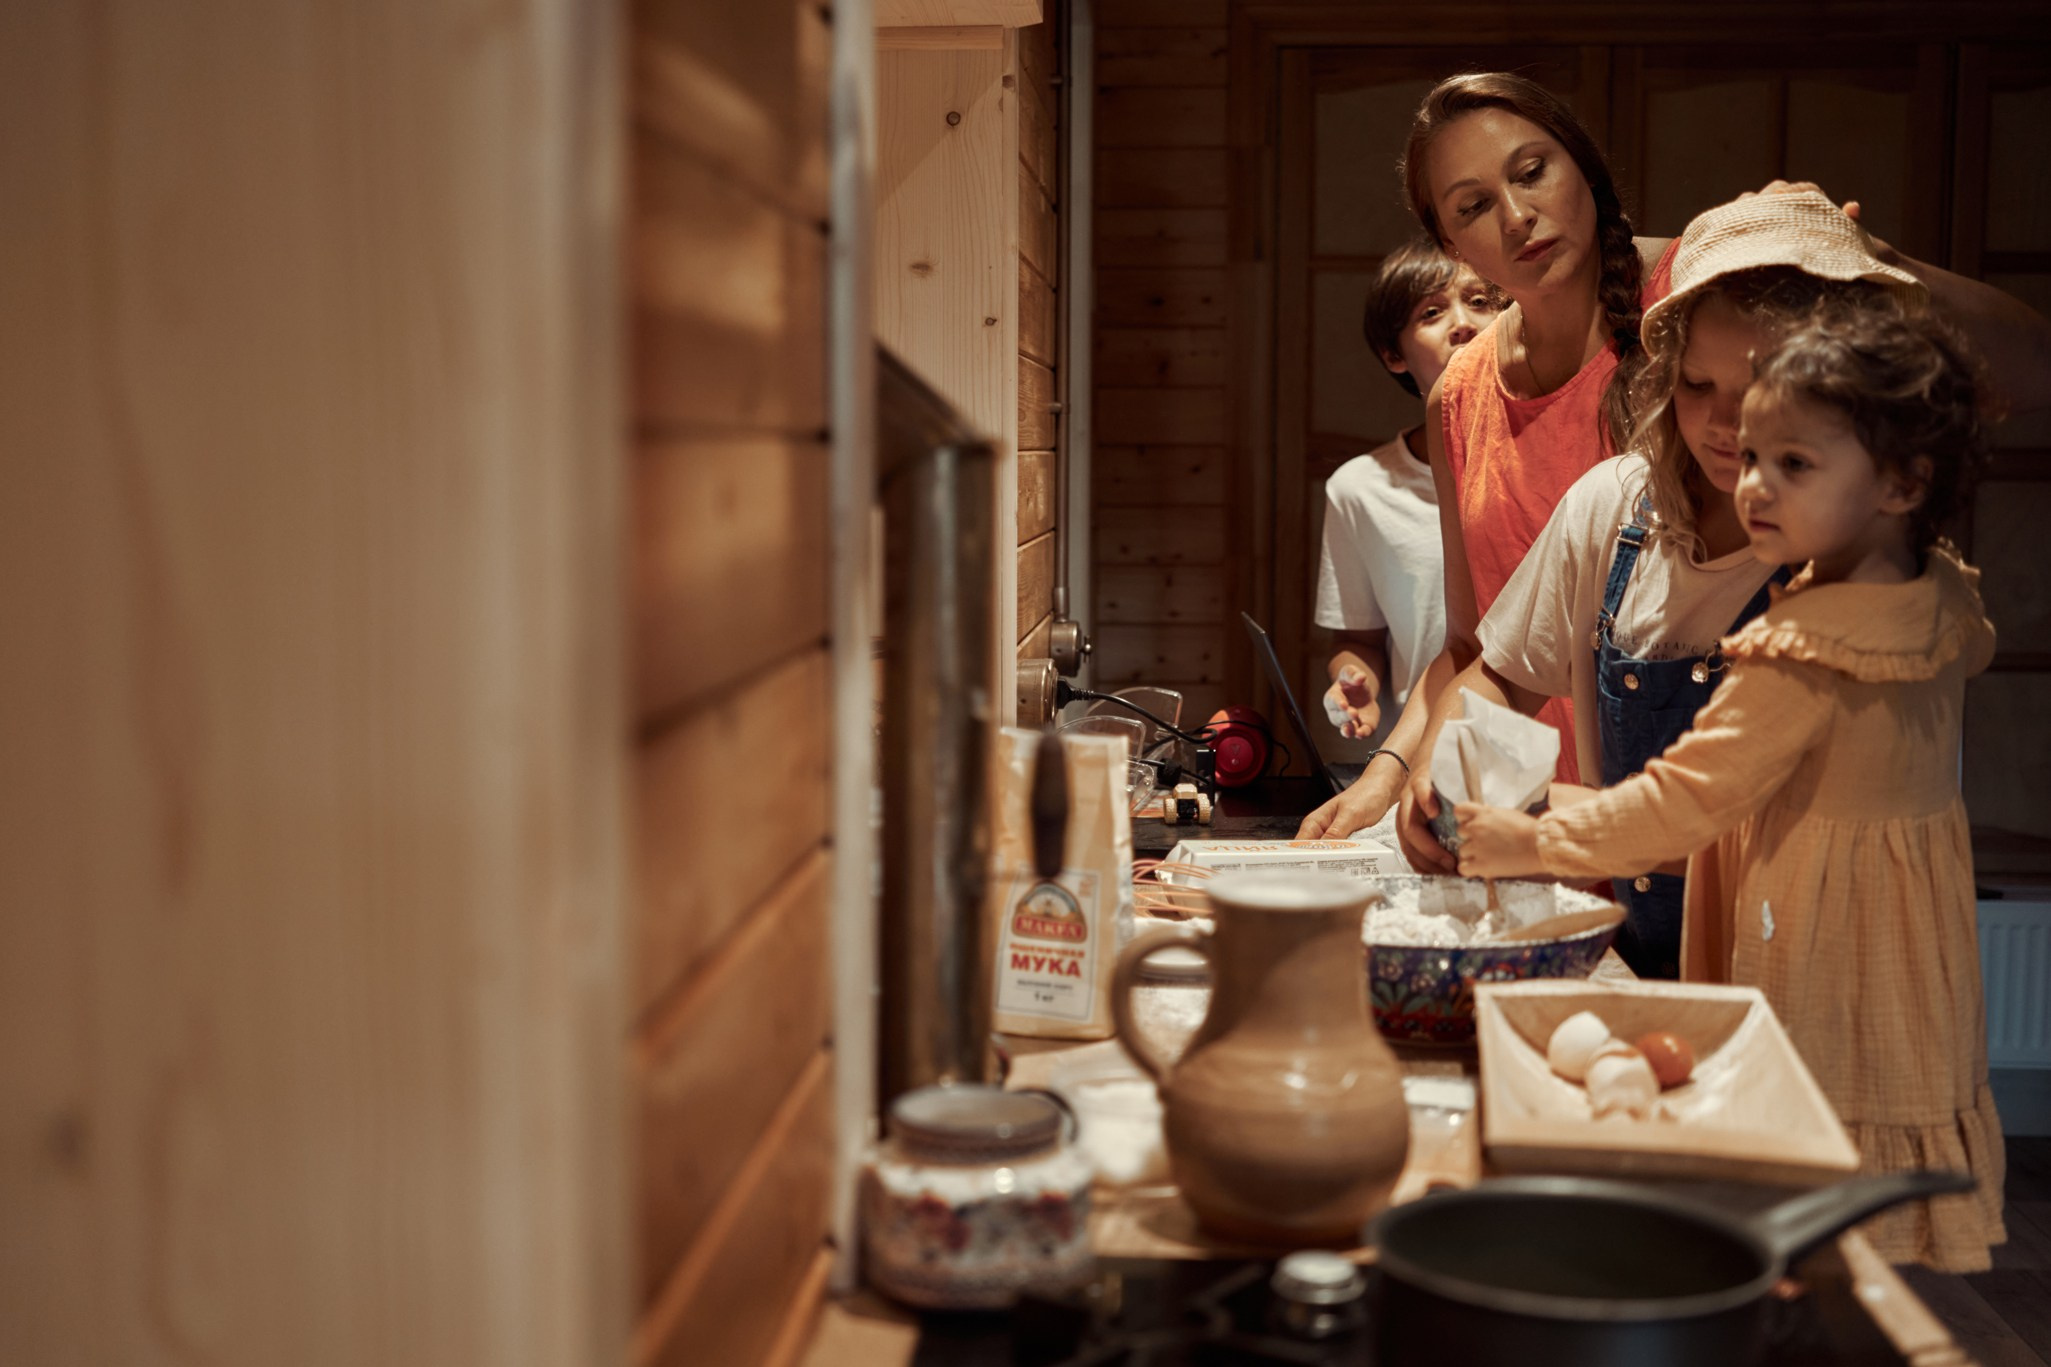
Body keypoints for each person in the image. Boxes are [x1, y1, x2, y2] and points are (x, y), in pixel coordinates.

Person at [1451, 300, 2006, 1272]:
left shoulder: (1803, 647)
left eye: (1793, 463)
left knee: (1809, 1198)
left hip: (1825, 940)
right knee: (1863, 1222)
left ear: (1901, 481)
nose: (1750, 485)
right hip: (1914, 939)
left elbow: (1686, 801)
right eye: (1750, 455)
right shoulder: (1937, 593)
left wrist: (1525, 842)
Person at [1376, 192, 1921, 977]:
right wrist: (1441, 770)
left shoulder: (1872, 572)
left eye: (1766, 386)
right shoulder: (1615, 505)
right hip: (1641, 961)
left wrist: (1540, 825)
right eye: (1698, 386)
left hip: (1817, 981)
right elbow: (1499, 673)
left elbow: (1747, 829)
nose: (1726, 426)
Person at [1299, 71, 1680, 836]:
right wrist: (1387, 778)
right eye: (1472, 206)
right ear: (1449, 241)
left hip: (1691, 801)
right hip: (1537, 817)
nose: (1515, 216)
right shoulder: (1459, 397)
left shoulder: (1683, 294)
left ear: (1582, 164)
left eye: (1532, 172)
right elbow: (1475, 645)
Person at [1318, 239, 1501, 745]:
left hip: (1549, 752)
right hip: (1421, 754)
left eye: (1481, 302)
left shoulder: (1552, 463)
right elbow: (1358, 638)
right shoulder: (1359, 489)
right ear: (1393, 354)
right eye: (1432, 312)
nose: (1463, 323)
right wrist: (1355, 683)